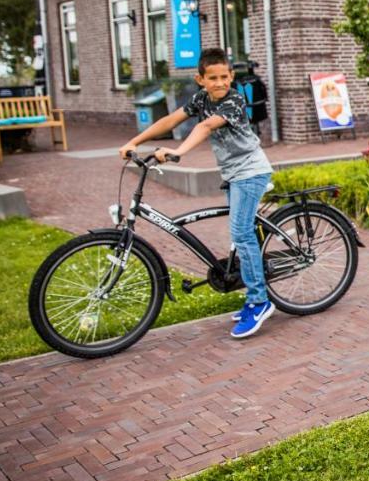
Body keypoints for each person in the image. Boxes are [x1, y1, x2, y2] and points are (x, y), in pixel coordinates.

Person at [118, 47, 276, 339]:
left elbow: (205, 126)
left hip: (251, 172)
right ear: (200, 79)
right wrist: (134, 141)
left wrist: (177, 151)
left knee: (241, 233)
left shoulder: (234, 100)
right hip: (232, 174)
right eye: (213, 78)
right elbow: (170, 120)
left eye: (224, 76)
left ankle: (259, 301)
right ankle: (252, 288)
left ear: (231, 76)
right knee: (241, 235)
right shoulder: (201, 99)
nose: (220, 83)